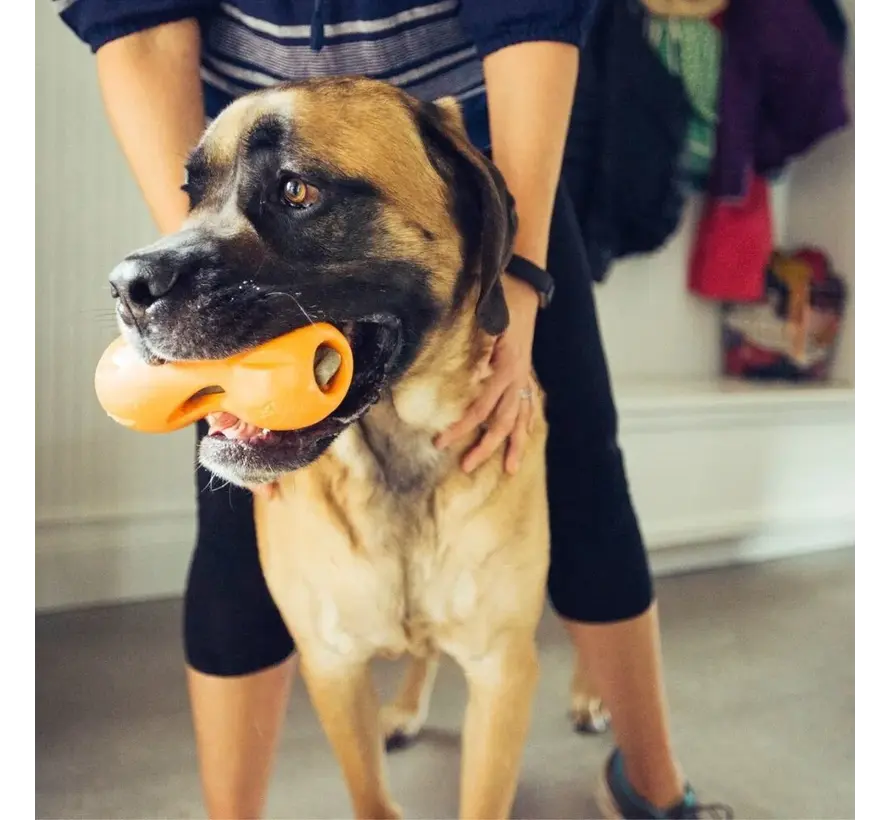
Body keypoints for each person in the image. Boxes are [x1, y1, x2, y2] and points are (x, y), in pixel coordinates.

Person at [55, 2, 733, 818]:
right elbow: (141, 26)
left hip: (482, 148)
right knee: (232, 539)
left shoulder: (454, 187)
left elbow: (530, 18)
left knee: (580, 461)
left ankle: (653, 787)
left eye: (296, 192)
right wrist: (208, 293)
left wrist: (516, 279)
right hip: (259, 130)